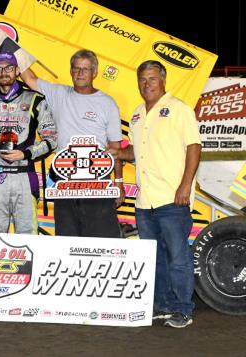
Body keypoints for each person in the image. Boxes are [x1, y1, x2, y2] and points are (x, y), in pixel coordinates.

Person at [106, 60, 202, 328]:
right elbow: (136, 153)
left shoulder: (180, 109)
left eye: (151, 79)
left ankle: (184, 308)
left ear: (163, 80)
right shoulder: (137, 114)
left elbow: (194, 147)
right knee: (155, 256)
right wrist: (117, 153)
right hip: (144, 201)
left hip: (172, 198)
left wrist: (185, 186)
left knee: (178, 257)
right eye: (142, 80)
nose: (146, 84)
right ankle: (162, 306)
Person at [20, 49, 124, 238]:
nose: (80, 73)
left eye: (85, 69)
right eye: (76, 68)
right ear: (70, 71)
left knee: (102, 241)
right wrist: (13, 50)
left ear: (95, 72)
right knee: (67, 239)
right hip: (64, 181)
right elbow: (29, 79)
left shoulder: (107, 103)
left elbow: (116, 148)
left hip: (97, 182)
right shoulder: (58, 93)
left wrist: (118, 183)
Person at [0, 52, 57, 234]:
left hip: (24, 176)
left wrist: (25, 154)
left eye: (9, 68)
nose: (4, 72)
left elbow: (52, 140)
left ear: (17, 70)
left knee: (28, 235)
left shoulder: (36, 100)